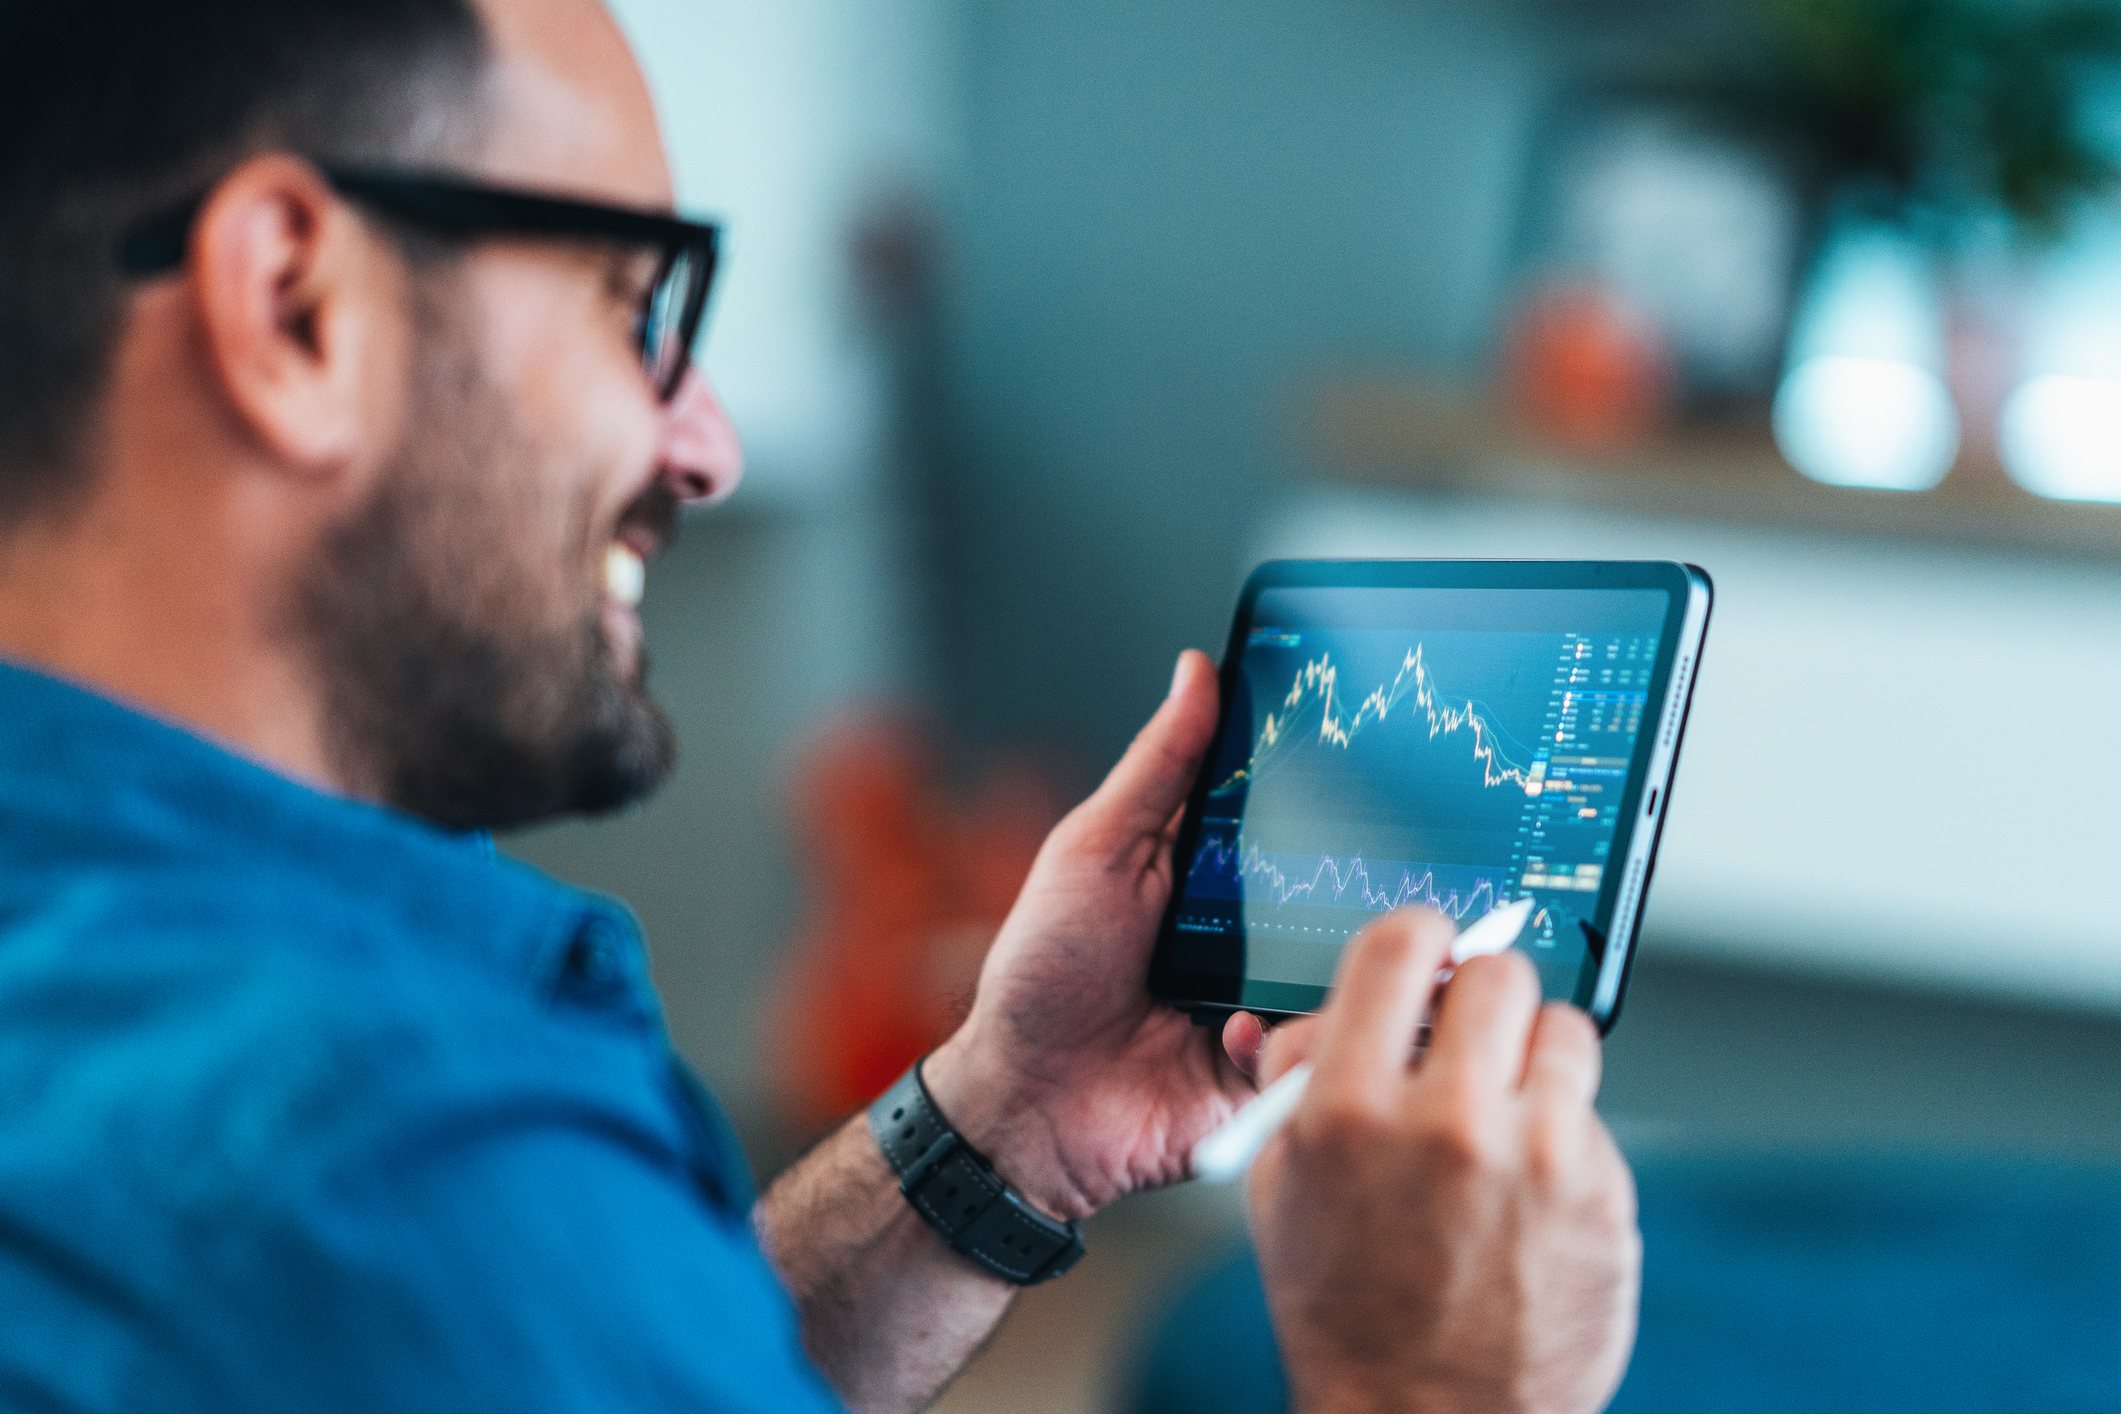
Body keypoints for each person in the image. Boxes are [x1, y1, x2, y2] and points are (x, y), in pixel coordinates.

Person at [0, 1, 1642, 1410]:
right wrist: (1427, 1382)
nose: (703, 445)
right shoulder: (385, 1165)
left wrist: (1002, 1126)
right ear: (295, 306)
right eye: (631, 303)